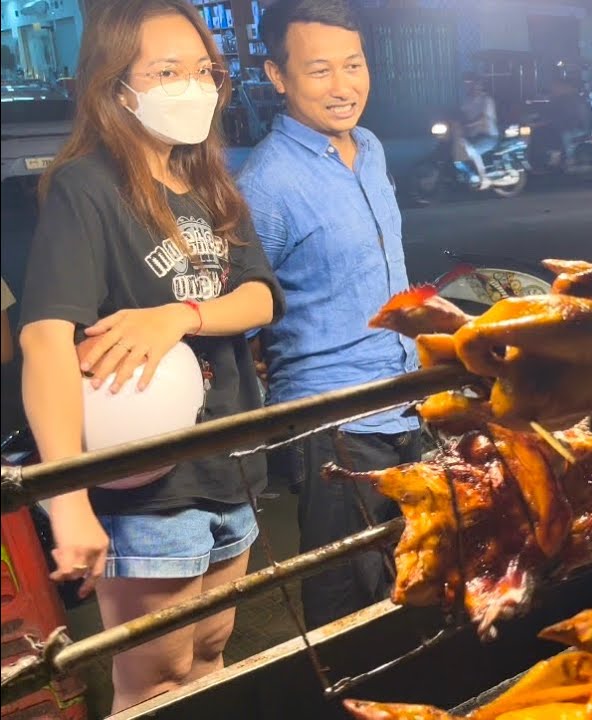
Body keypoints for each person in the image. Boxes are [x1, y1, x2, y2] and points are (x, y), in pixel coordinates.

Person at [18, 0, 283, 711]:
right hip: (148, 490)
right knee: (153, 683)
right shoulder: (87, 188)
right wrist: (68, 501)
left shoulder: (208, 182)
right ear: (116, 86)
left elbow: (259, 297)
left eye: (203, 70)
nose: (191, 86)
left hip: (228, 461)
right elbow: (43, 340)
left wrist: (181, 316)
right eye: (167, 71)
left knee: (210, 657)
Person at [237, 0, 424, 630]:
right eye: (319, 71)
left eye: (354, 64)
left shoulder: (368, 148)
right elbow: (244, 311)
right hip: (334, 420)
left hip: (406, 401)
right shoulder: (266, 182)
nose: (343, 87)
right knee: (350, 603)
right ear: (278, 76)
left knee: (417, 577)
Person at [457, 72, 499, 190]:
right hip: (473, 135)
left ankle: (484, 178)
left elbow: (483, 117)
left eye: (471, 84)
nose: (469, 87)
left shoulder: (487, 100)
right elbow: (461, 113)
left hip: (489, 136)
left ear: (479, 85)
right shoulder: (467, 101)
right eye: (467, 84)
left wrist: (469, 124)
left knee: (472, 150)